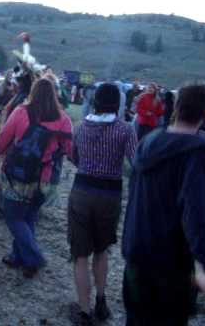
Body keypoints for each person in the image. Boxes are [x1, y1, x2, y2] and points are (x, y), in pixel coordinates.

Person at [122, 82, 205, 326]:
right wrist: (203, 265)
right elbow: (194, 213)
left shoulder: (148, 142)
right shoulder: (196, 154)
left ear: (176, 107)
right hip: (170, 264)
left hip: (136, 251)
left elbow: (133, 197)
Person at [68, 83, 137, 325]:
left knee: (79, 255)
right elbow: (135, 161)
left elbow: (72, 157)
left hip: (82, 190)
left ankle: (84, 311)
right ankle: (101, 300)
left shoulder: (79, 127)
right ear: (117, 104)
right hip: (110, 194)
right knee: (101, 250)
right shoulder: (125, 130)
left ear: (95, 101)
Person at [0, 78, 72, 278]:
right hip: (44, 177)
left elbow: (4, 138)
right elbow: (69, 149)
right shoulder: (63, 119)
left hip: (18, 175)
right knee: (28, 217)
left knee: (13, 217)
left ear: (33, 93)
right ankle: (20, 258)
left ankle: (34, 256)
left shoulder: (21, 112)